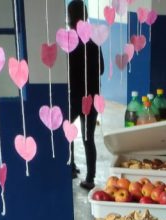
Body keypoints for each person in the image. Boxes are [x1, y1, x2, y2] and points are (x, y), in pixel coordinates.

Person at [67, 0, 105, 190]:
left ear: (69, 18)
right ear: (86, 17)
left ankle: (71, 168)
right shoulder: (93, 41)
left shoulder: (68, 41)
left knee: (67, 132)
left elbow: (65, 72)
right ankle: (90, 178)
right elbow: (103, 69)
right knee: (88, 137)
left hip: (74, 97)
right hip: (92, 97)